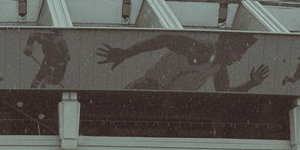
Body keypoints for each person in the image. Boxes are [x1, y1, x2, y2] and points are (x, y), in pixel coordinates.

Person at [93, 31, 269, 92]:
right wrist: (126, 53)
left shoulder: (218, 66)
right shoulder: (204, 50)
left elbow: (224, 92)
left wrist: (251, 84)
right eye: (239, 52)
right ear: (227, 45)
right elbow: (165, 39)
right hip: (146, 90)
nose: (239, 58)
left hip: (164, 101)